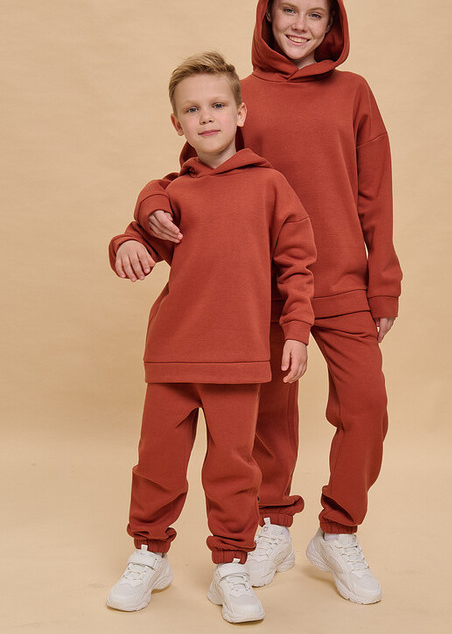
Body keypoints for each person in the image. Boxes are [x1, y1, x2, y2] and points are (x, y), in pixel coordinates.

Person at [133, 0, 402, 605]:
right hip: (261, 288)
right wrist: (149, 207)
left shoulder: (354, 92)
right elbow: (194, 172)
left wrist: (383, 283)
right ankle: (273, 524)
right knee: (270, 419)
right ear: (267, 14)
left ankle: (337, 531)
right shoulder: (240, 94)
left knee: (365, 406)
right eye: (289, 10)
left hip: (342, 282)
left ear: (332, 24)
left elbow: (376, 193)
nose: (300, 25)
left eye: (316, 14)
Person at [106, 51, 316, 624]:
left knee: (233, 469)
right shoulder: (172, 193)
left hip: (241, 356)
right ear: (177, 123)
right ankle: (150, 554)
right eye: (192, 110)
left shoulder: (271, 186)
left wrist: (297, 331)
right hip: (173, 353)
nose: (206, 117)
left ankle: (232, 563)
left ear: (240, 112)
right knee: (157, 463)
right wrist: (128, 243)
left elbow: (298, 266)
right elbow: (139, 236)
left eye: (218, 105)